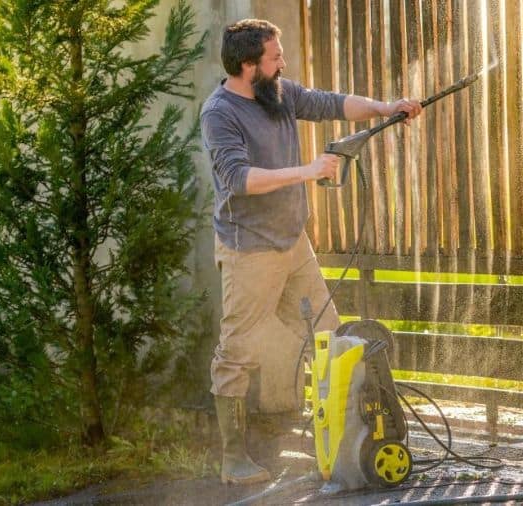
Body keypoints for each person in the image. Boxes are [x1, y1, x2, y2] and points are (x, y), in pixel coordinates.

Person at [201, 18, 422, 485]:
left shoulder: (276, 91)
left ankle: (343, 440)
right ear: (248, 65)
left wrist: (388, 107)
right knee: (237, 351)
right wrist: (307, 170)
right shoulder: (219, 113)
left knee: (329, 335)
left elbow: (332, 103)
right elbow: (239, 179)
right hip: (250, 249)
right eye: (274, 57)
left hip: (292, 242)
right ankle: (234, 458)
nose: (283, 64)